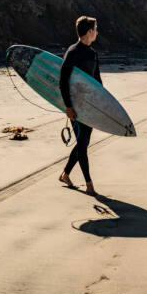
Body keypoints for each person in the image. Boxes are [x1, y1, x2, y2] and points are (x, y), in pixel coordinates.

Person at [58, 15, 100, 195]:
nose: (97, 33)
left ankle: (65, 174)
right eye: (96, 29)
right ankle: (89, 184)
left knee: (83, 142)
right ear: (90, 32)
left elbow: (98, 82)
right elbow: (62, 81)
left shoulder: (93, 54)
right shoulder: (72, 52)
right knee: (82, 143)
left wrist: (102, 105)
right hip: (75, 106)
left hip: (89, 105)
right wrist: (68, 107)